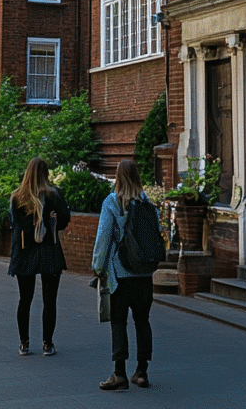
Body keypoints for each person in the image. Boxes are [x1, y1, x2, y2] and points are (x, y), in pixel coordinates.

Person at [91, 159, 157, 390]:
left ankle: (119, 373)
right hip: (144, 274)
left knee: (118, 321)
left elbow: (104, 237)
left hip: (120, 274)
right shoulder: (148, 203)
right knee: (142, 321)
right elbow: (156, 235)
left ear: (118, 178)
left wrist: (98, 267)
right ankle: (142, 372)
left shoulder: (113, 202)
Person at [7, 156, 71, 356]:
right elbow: (64, 220)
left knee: (25, 299)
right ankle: (47, 343)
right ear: (46, 174)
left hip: (25, 251)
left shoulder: (17, 197)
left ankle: (24, 343)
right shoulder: (54, 195)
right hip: (49, 250)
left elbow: (13, 224)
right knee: (49, 300)